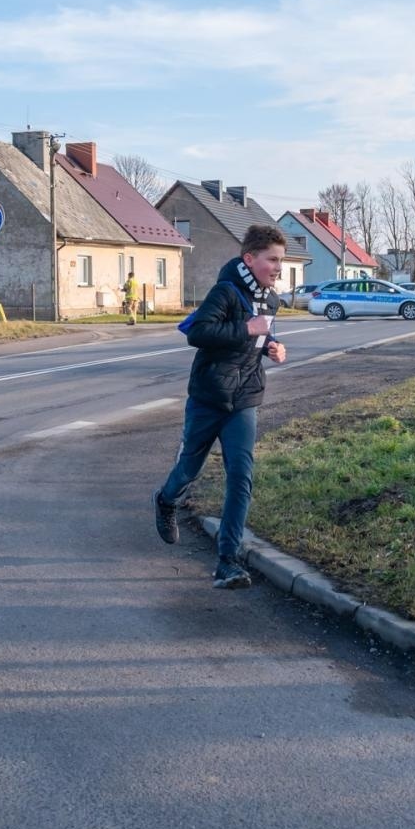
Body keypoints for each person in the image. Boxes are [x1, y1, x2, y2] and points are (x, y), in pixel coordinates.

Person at [153, 224, 288, 589]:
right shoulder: (225, 292)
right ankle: (166, 501)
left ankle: (228, 561)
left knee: (240, 477)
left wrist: (274, 347)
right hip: (209, 396)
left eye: (281, 260)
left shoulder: (271, 300)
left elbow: (263, 334)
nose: (278, 267)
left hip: (245, 397)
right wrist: (246, 330)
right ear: (250, 258)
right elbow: (197, 334)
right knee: (189, 469)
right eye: (272, 260)